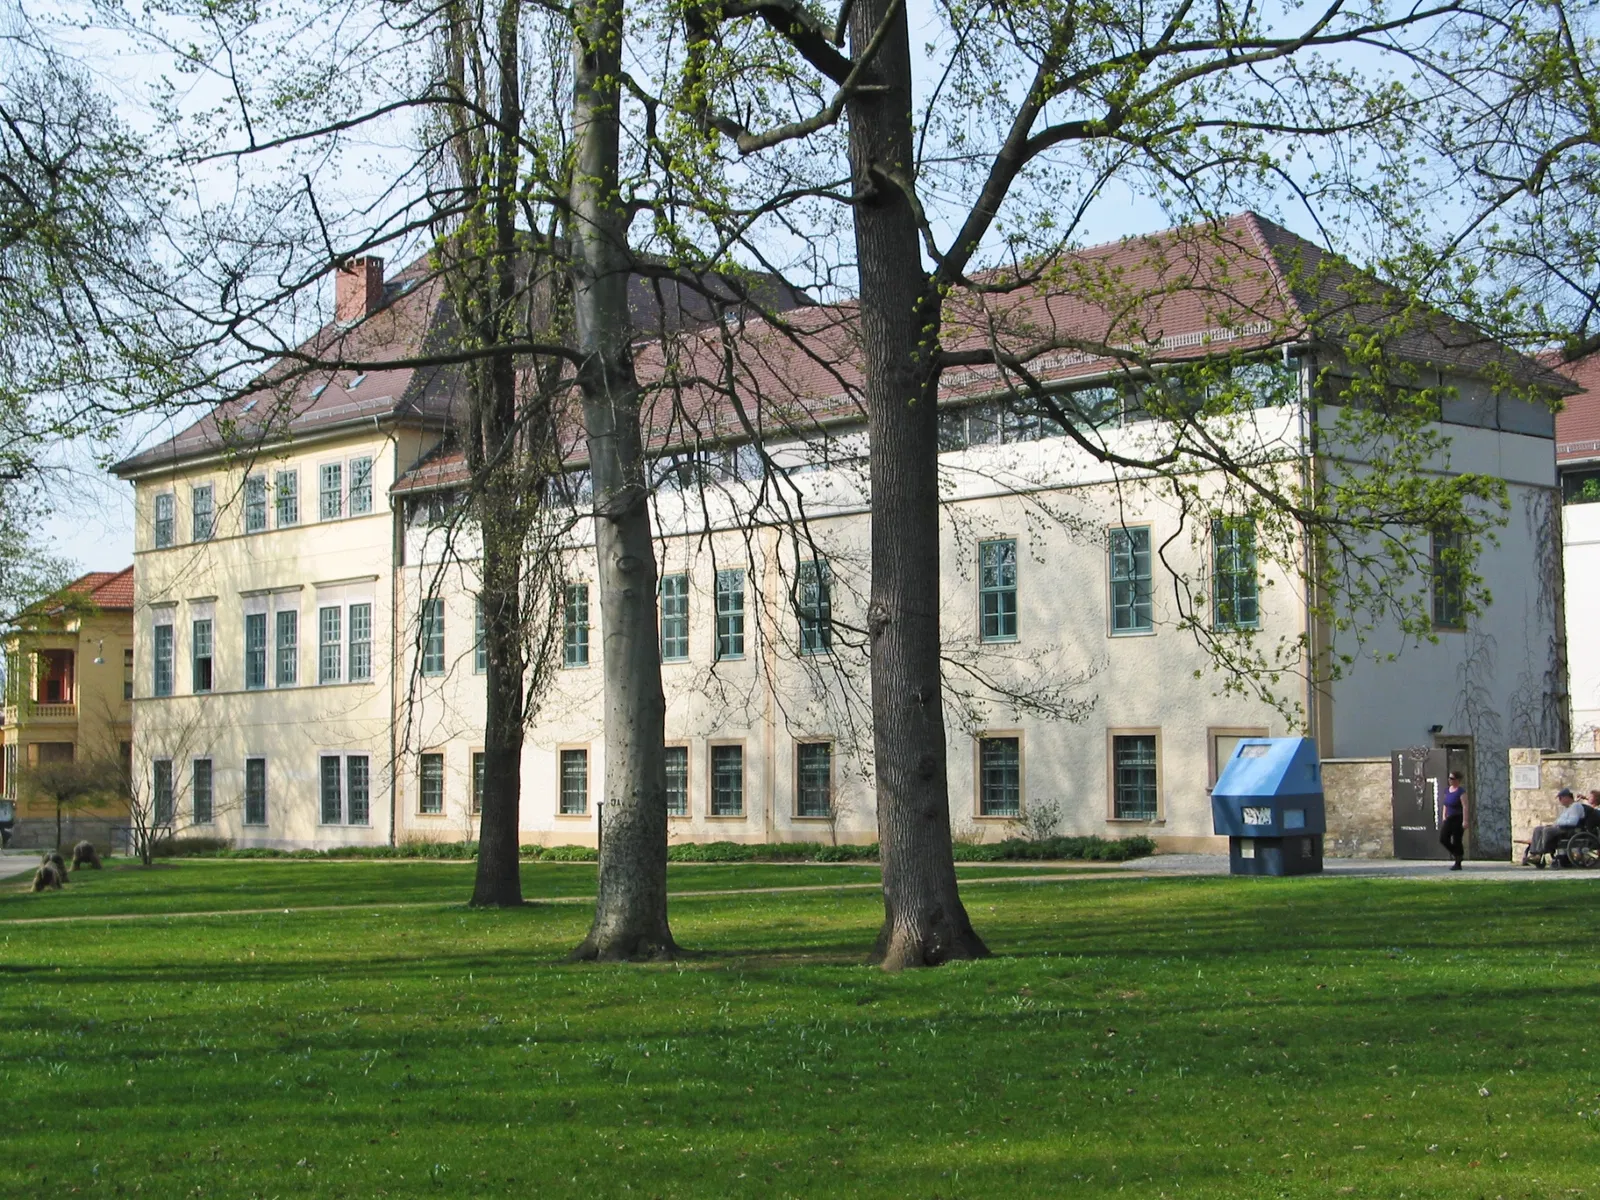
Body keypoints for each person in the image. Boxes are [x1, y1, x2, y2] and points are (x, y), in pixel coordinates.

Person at [1524, 787, 1583, 867]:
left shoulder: (1576, 806)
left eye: (1561, 798)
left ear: (1567, 797)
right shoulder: (1567, 808)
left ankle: (1540, 853)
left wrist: (1558, 823)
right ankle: (1535, 854)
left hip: (1570, 831)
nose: (1560, 800)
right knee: (1538, 829)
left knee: (1547, 831)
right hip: (1561, 828)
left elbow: (1573, 822)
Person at [1439, 770, 1466, 870]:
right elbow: (1446, 804)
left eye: (1452, 778)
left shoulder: (1461, 792)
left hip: (1458, 818)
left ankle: (1458, 862)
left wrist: (1465, 820)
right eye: (1449, 778)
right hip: (1449, 818)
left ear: (1457, 780)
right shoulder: (1447, 790)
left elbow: (1465, 806)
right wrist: (1444, 816)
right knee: (1443, 838)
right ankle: (1458, 854)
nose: (1450, 780)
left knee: (1457, 840)